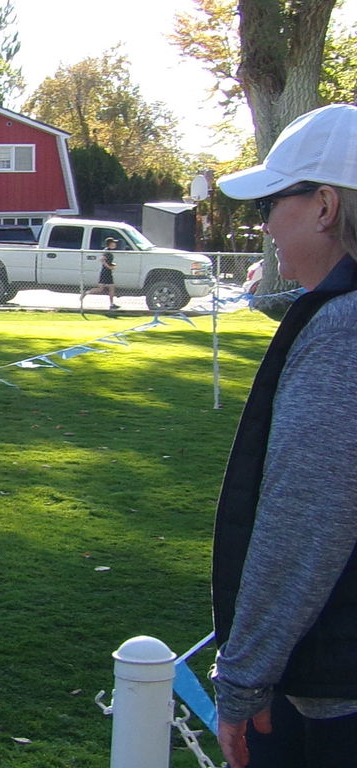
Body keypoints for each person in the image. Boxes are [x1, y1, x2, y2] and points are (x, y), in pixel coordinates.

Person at [211, 103, 357, 768]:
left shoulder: (342, 331)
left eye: (273, 201)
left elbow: (308, 520)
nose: (262, 223)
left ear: (325, 207)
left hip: (335, 703)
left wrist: (243, 678)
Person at [80, 236, 119, 309]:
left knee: (107, 288)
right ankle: (86, 293)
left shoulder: (109, 251)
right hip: (105, 272)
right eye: (114, 243)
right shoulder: (107, 251)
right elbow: (102, 260)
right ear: (110, 244)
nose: (115, 244)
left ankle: (111, 304)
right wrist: (109, 267)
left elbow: (107, 261)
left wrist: (112, 264)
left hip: (108, 272)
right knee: (105, 288)